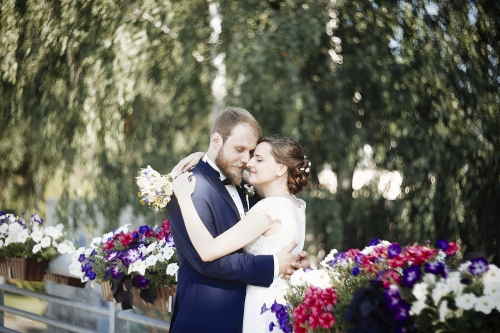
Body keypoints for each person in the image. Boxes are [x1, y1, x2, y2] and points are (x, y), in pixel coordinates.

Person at [166, 107, 309, 333]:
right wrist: (273, 265)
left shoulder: (246, 186)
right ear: (216, 141)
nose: (247, 160)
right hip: (204, 320)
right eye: (240, 149)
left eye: (252, 152)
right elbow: (204, 259)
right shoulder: (187, 187)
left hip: (252, 315)